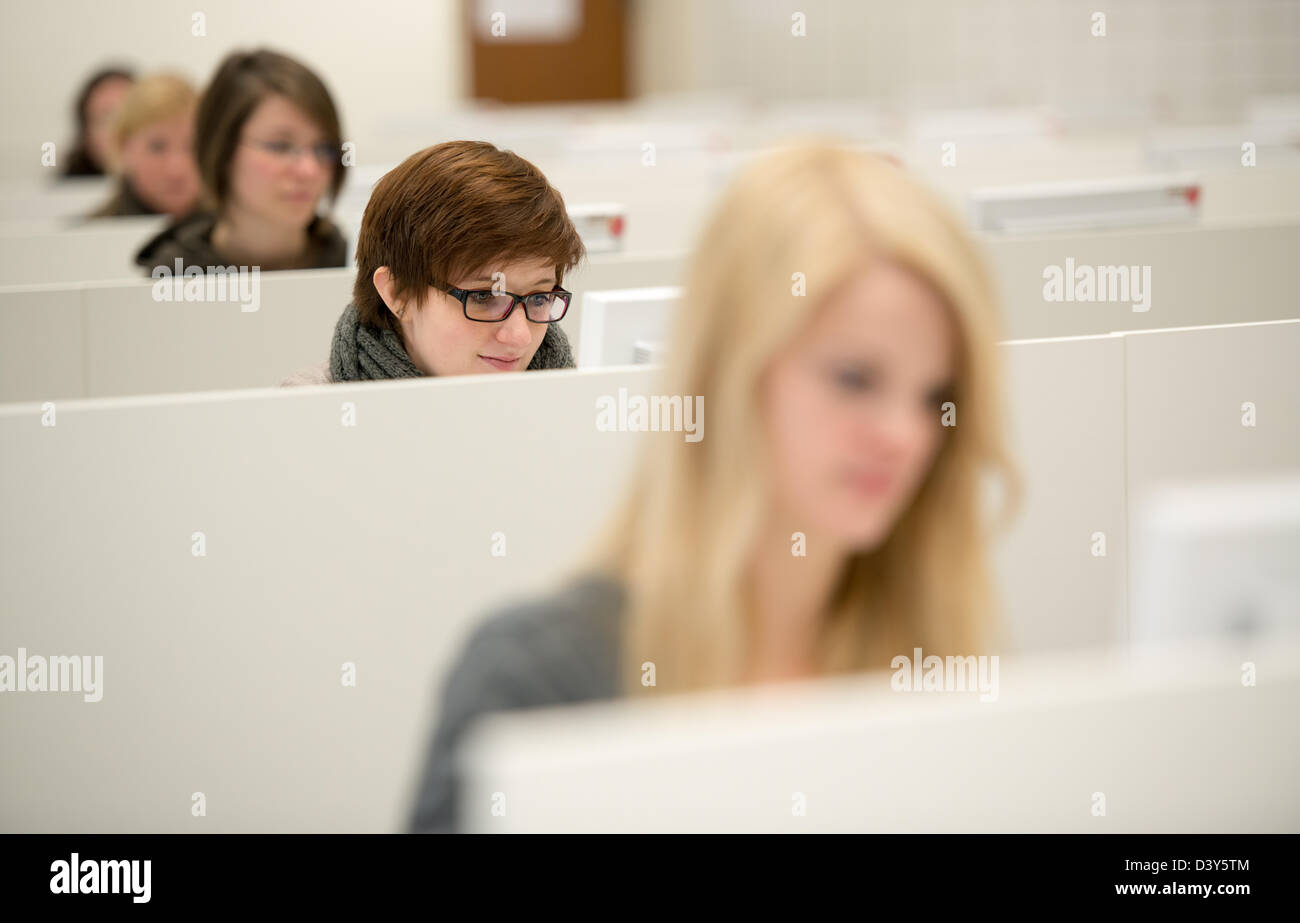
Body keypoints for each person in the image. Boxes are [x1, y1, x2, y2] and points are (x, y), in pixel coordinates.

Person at [407, 140, 1021, 832]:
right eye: (855, 378)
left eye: (934, 393)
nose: (906, 435)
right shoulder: (544, 684)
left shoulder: (933, 654)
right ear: (730, 373)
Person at [280, 140, 583, 385]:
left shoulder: (578, 400)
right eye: (483, 296)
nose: (520, 336)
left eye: (540, 298)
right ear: (398, 294)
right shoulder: (306, 414)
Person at [135, 49, 346, 273]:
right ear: (222, 150)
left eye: (323, 148)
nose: (309, 170)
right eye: (280, 146)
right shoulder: (171, 280)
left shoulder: (358, 265)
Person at [89, 74, 200, 219]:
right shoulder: (87, 237)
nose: (176, 168)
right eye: (157, 147)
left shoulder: (229, 233)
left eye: (191, 147)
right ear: (123, 147)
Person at [62, 67, 134, 178]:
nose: (120, 130)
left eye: (130, 116)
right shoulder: (58, 192)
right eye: (106, 120)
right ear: (86, 136)